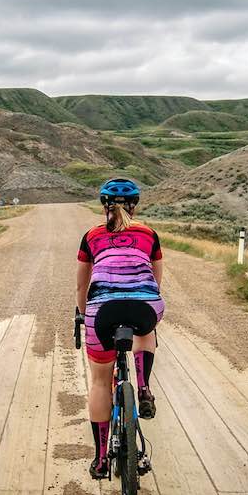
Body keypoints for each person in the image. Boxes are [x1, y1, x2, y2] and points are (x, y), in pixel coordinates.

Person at [76, 177, 164, 479]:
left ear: (104, 205)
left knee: (101, 383)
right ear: (135, 205)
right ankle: (143, 386)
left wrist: (83, 315)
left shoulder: (91, 236)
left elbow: (81, 286)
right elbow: (155, 283)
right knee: (146, 326)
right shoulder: (149, 234)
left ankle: (101, 460)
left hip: (103, 309)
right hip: (144, 305)